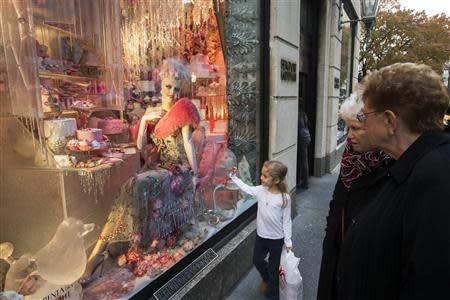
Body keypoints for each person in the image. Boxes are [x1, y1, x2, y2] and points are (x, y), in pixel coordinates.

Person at [336, 63, 450, 299]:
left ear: (389, 121)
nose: (362, 124)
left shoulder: (435, 177)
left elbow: (428, 282)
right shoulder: (412, 164)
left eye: (364, 116)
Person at [317, 94, 391, 300]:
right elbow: (337, 199)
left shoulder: (390, 165)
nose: (349, 136)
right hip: (336, 250)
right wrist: (330, 234)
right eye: (347, 127)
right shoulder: (350, 156)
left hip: (363, 267)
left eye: (356, 128)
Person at [230, 161, 292, 300]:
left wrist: (288, 241)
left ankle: (272, 295)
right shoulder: (260, 190)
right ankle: (266, 279)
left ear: (276, 180)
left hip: (277, 239)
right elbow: (246, 188)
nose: (261, 178)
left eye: (265, 176)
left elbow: (287, 221)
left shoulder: (284, 198)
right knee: (257, 261)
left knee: (273, 268)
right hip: (261, 236)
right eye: (261, 175)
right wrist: (233, 177)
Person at [297, 105, 311, 189]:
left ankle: (305, 182)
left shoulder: (297, 112)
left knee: (303, 161)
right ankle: (299, 179)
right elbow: (308, 124)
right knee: (302, 160)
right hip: (306, 136)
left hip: (301, 138)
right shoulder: (302, 112)